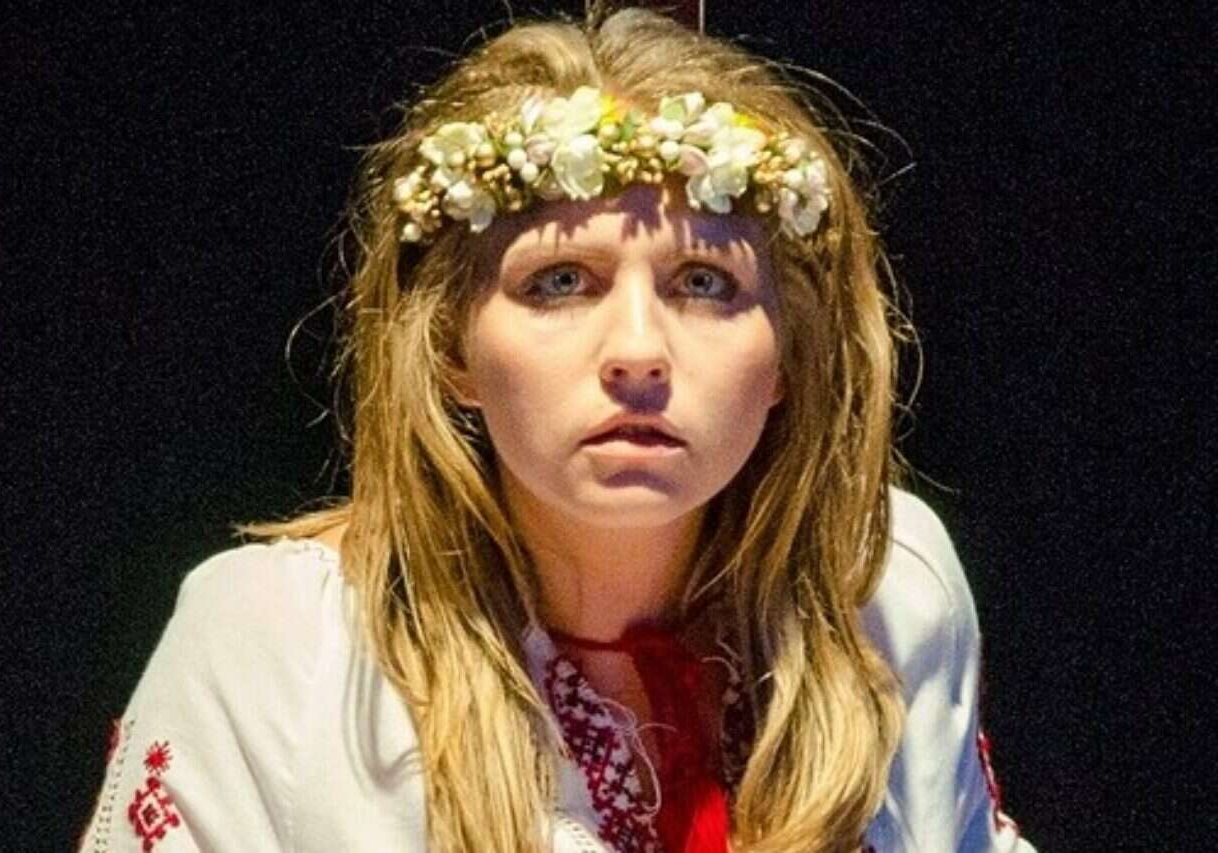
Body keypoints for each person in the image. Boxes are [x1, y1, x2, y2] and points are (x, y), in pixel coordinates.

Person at [79, 8, 1036, 852]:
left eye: (705, 282)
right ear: (451, 349)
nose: (638, 351)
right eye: (560, 282)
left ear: (791, 354)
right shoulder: (284, 641)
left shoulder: (885, 586)